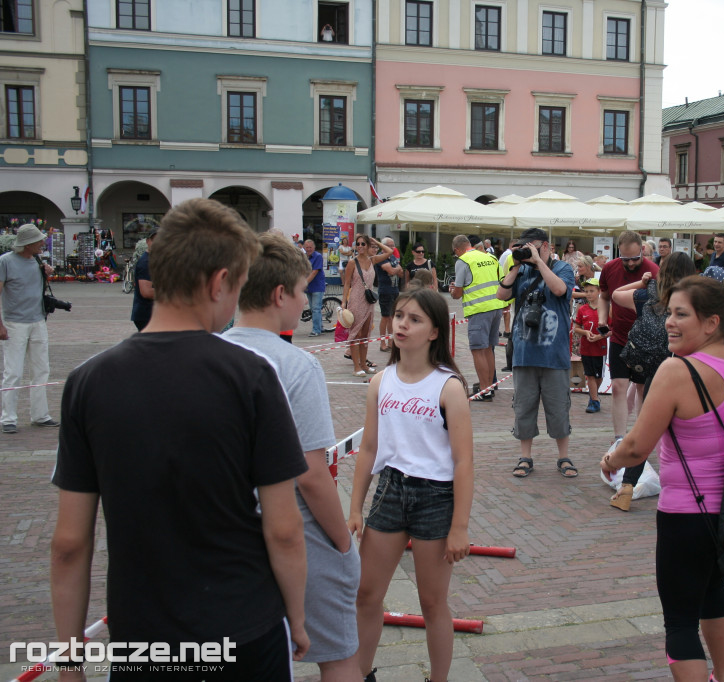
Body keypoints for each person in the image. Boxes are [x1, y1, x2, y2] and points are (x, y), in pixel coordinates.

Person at [50, 198, 310, 679]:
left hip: (142, 636)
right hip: (244, 625)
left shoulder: (88, 382)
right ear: (218, 284)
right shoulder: (251, 376)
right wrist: (295, 615)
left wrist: (70, 656)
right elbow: (284, 528)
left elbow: (69, 542)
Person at [600, 276, 724, 682]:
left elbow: (637, 447)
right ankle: (723, 677)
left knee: (679, 622)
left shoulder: (677, 371)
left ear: (710, 323)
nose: (668, 322)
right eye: (668, 312)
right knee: (713, 593)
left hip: (687, 514)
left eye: (680, 314)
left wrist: (609, 459)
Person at [224, 232, 361, 682]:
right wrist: (342, 541)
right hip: (296, 530)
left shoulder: (211, 354)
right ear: (280, 294)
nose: (303, 299)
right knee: (338, 654)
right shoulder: (295, 364)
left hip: (228, 533)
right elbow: (311, 474)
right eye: (302, 291)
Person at [348, 287, 473, 682]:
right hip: (390, 490)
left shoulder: (448, 387)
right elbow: (368, 448)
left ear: (435, 331)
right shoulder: (381, 381)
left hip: (436, 497)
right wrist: (354, 507)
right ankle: (359, 673)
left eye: (415, 319)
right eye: (400, 315)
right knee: (366, 595)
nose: (403, 324)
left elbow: (464, 462)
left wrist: (460, 527)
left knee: (432, 603)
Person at [609, 252, 695, 511]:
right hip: (688, 369)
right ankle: (688, 485)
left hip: (655, 370)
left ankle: (626, 487)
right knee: (688, 431)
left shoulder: (650, 294)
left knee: (647, 430)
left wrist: (642, 281)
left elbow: (615, 295)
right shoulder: (696, 299)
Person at [496, 228, 578, 479]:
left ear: (545, 246)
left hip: (554, 355)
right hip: (524, 353)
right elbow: (501, 295)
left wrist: (539, 262)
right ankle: (525, 457)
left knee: (558, 408)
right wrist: (515, 265)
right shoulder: (520, 271)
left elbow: (560, 290)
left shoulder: (562, 267)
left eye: (531, 246)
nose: (527, 251)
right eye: (523, 247)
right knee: (524, 408)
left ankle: (563, 457)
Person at [598, 231, 659, 453]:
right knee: (618, 386)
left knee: (642, 388)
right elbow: (604, 296)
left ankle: (641, 437)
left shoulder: (653, 271)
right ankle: (619, 439)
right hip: (620, 336)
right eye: (626, 259)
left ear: (642, 250)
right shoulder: (610, 268)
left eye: (635, 258)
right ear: (619, 253)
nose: (631, 263)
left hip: (645, 340)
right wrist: (603, 320)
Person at [0, 224, 59, 433]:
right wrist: (0, 324)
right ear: (28, 244)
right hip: (14, 323)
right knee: (13, 371)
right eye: (39, 241)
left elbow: (37, 287)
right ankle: (8, 417)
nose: (43, 243)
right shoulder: (5, 261)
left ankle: (40, 414)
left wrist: (46, 274)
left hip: (37, 320)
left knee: (41, 369)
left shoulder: (36, 260)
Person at [450, 234, 503, 401]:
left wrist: (452, 291)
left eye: (455, 252)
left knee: (478, 349)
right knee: (488, 348)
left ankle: (484, 389)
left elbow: (457, 293)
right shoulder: (490, 257)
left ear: (457, 249)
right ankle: (489, 386)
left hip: (479, 309)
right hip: (496, 307)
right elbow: (502, 280)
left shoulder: (463, 261)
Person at [342, 235, 392, 377]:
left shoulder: (372, 260)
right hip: (356, 300)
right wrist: (344, 302)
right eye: (358, 244)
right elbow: (346, 283)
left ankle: (364, 364)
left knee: (365, 334)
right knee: (355, 334)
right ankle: (356, 366)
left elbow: (389, 252)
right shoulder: (352, 263)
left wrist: (376, 242)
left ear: (368, 245)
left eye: (363, 244)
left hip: (368, 302)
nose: (360, 246)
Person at [573, 277, 608, 414]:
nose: (588, 294)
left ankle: (594, 396)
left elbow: (612, 328)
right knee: (590, 375)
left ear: (599, 291)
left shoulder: (605, 308)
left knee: (599, 376)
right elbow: (576, 328)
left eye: (591, 291)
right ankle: (594, 400)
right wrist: (585, 332)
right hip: (586, 348)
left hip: (600, 348)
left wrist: (601, 336)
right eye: (586, 291)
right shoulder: (582, 309)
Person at [374, 237, 403, 352]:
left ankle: (391, 341)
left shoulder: (393, 257)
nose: (392, 248)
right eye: (390, 245)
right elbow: (391, 271)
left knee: (393, 316)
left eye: (393, 245)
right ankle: (382, 342)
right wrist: (397, 268)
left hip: (395, 289)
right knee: (385, 316)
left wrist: (396, 269)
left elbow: (400, 273)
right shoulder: (381, 258)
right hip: (385, 290)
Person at [130, 230, 157, 331]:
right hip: (146, 314)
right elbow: (147, 292)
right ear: (147, 241)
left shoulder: (155, 259)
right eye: (154, 240)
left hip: (152, 313)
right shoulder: (146, 262)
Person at [304, 239, 327, 337]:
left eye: (310, 247)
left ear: (313, 248)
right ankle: (320, 327)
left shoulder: (317, 256)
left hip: (317, 286)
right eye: (307, 247)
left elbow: (314, 272)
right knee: (313, 308)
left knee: (316, 309)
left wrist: (304, 283)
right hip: (309, 287)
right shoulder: (305, 257)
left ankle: (316, 330)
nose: (308, 249)